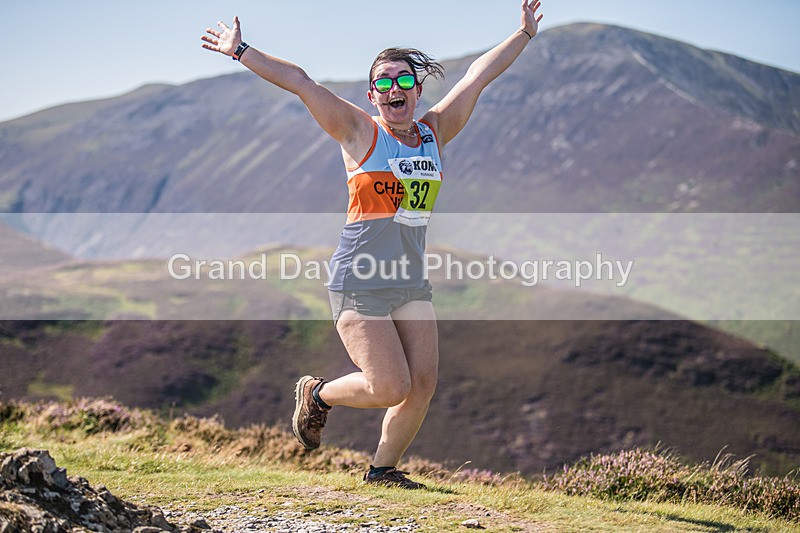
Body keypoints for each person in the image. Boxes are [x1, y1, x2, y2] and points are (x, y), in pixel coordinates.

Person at [202, 1, 543, 489]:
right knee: (390, 386)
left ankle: (382, 472)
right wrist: (241, 50)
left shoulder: (434, 132)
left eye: (404, 80)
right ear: (373, 94)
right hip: (359, 281)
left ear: (418, 89)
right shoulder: (360, 132)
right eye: (384, 82)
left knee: (421, 385)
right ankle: (318, 395)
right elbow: (302, 82)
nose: (394, 89)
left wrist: (523, 35)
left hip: (409, 283)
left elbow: (477, 77)